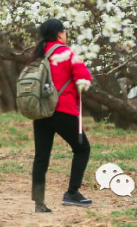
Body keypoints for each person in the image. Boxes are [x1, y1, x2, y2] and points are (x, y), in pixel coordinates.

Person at [30, 19, 93, 213]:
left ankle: (39, 202)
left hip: (40, 111)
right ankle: (72, 193)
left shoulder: (38, 55)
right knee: (82, 148)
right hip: (62, 109)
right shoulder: (67, 53)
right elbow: (84, 81)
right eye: (64, 31)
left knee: (41, 156)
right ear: (59, 34)